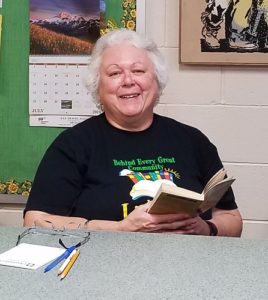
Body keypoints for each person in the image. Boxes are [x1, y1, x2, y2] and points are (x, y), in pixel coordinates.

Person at [24, 28, 243, 237]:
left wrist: (206, 229)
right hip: (100, 270)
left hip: (186, 268)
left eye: (138, 71)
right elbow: (35, 220)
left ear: (156, 80)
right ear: (98, 87)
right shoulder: (72, 145)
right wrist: (119, 229)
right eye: (115, 73)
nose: (128, 81)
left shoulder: (193, 141)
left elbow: (231, 217)